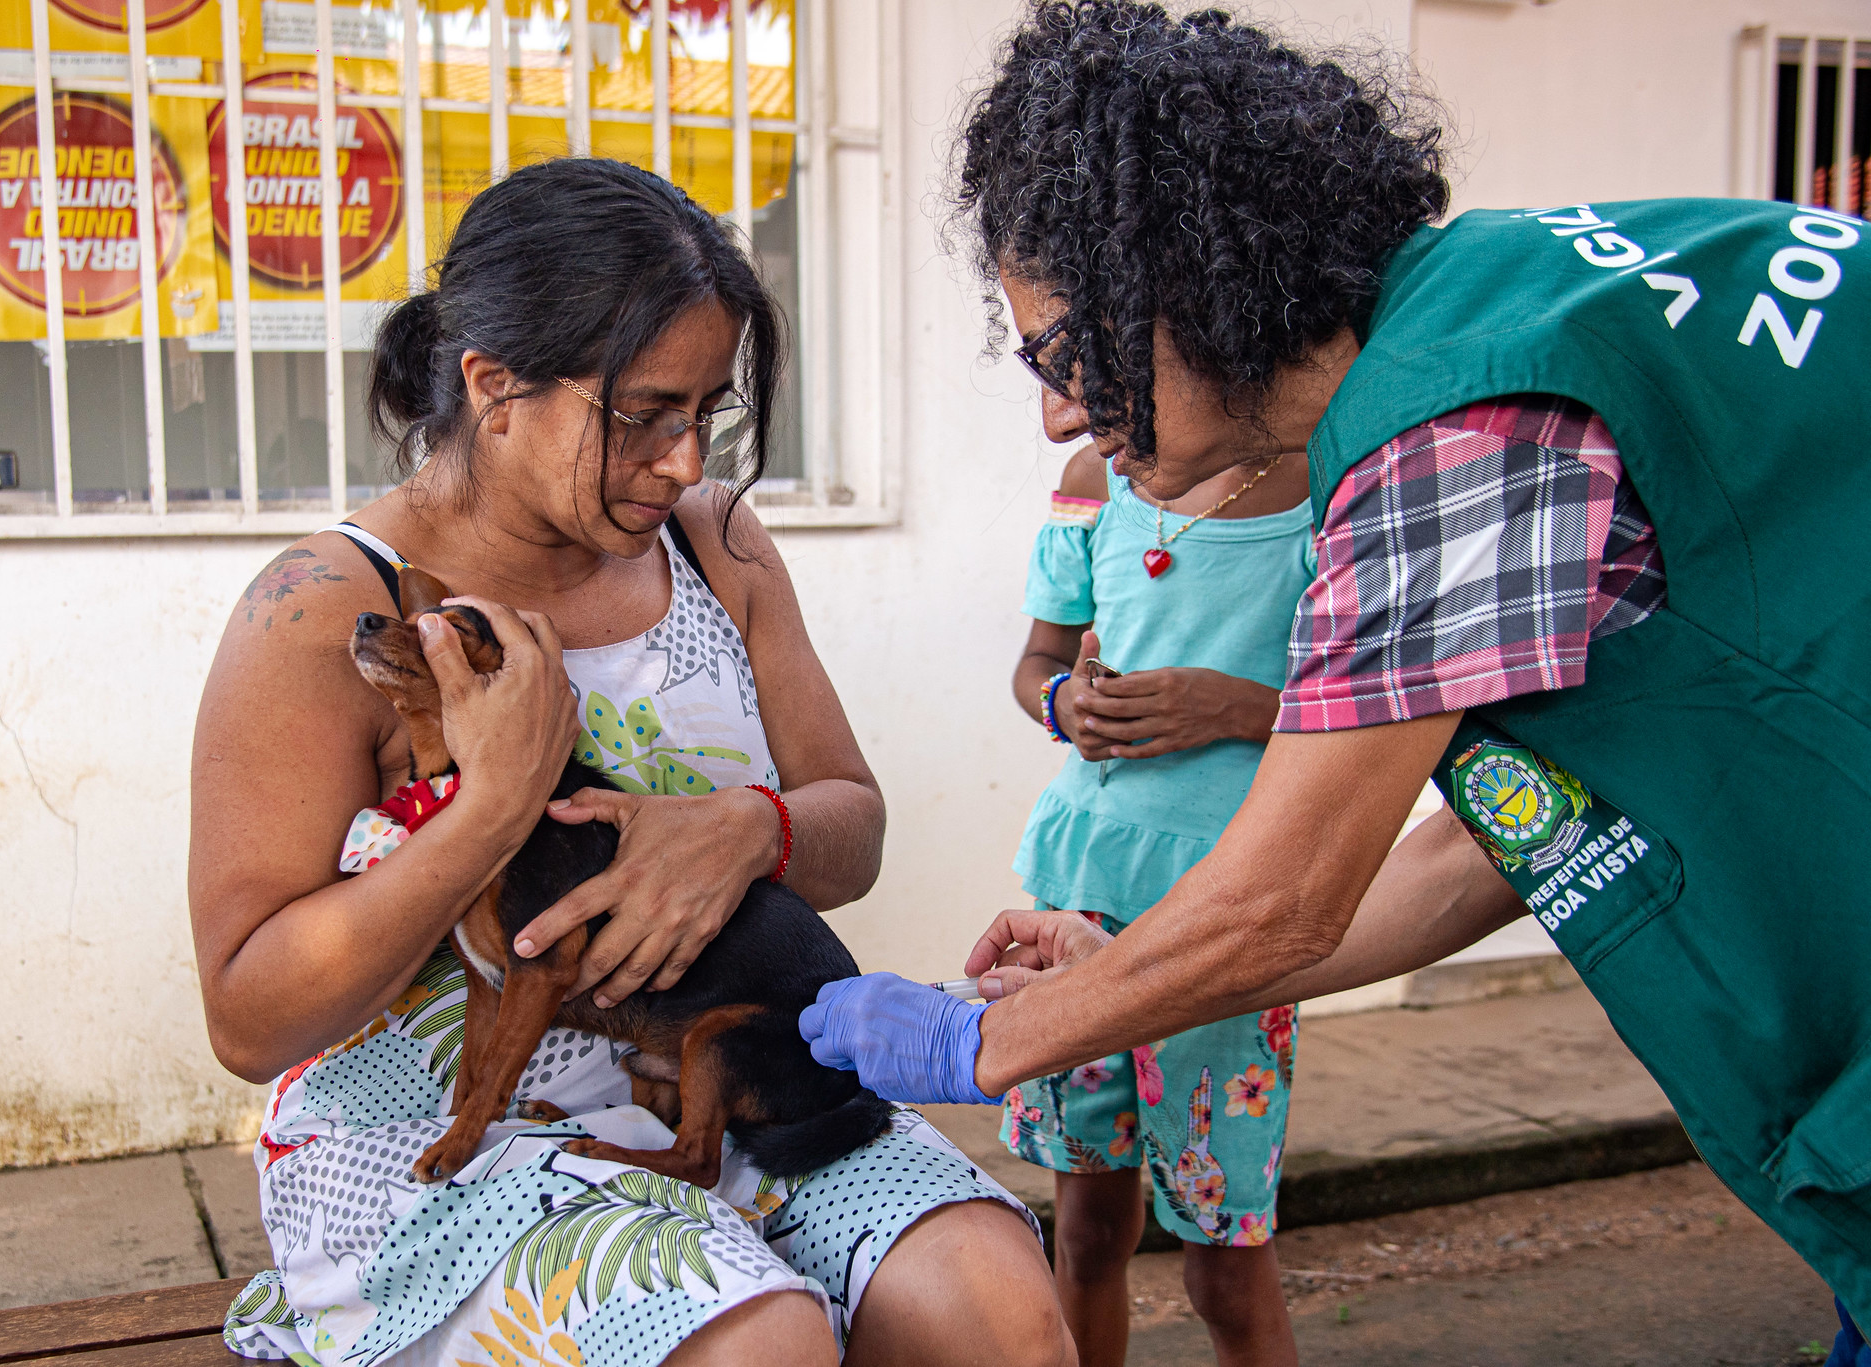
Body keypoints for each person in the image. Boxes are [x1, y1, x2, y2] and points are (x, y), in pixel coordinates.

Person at [797, 4, 1871, 1361]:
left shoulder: (1455, 419)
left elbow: (1286, 901)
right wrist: (1131, 963)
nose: (1059, 415)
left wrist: (978, 1043)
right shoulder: (1512, 298)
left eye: (1062, 356)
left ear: (1186, 281)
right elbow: (1491, 849)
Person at [189, 158, 1071, 1367]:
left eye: (703, 411)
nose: (679, 459)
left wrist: (748, 827)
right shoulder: (323, 609)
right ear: (493, 384)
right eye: (643, 413)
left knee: (999, 1307)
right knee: (757, 1344)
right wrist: (490, 809)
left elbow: (850, 823)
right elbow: (247, 1011)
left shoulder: (714, 544)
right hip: (442, 1151)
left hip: (723, 1082)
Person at [1008, 437, 1311, 1367]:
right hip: (1080, 889)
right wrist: (1068, 704)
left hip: (1230, 912)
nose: (1062, 408)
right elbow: (1038, 663)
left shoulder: (1332, 479)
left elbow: (1374, 705)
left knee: (1224, 1265)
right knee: (1089, 1233)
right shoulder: (1094, 485)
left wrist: (1235, 707)